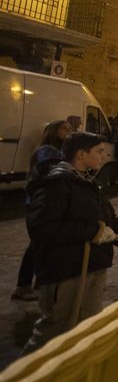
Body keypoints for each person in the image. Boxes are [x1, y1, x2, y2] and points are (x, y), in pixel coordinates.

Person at [23, 132, 118, 355]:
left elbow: (109, 220)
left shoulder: (87, 182)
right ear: (81, 154)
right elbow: (42, 228)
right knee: (55, 334)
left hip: (93, 267)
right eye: (99, 152)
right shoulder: (56, 183)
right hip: (67, 271)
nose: (104, 156)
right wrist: (92, 232)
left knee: (87, 329)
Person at [12, 120, 72, 302]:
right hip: (40, 204)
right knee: (37, 246)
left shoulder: (58, 151)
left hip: (50, 203)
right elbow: (50, 174)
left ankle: (43, 283)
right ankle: (23, 286)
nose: (68, 132)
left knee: (47, 245)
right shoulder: (46, 151)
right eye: (65, 129)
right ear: (54, 131)